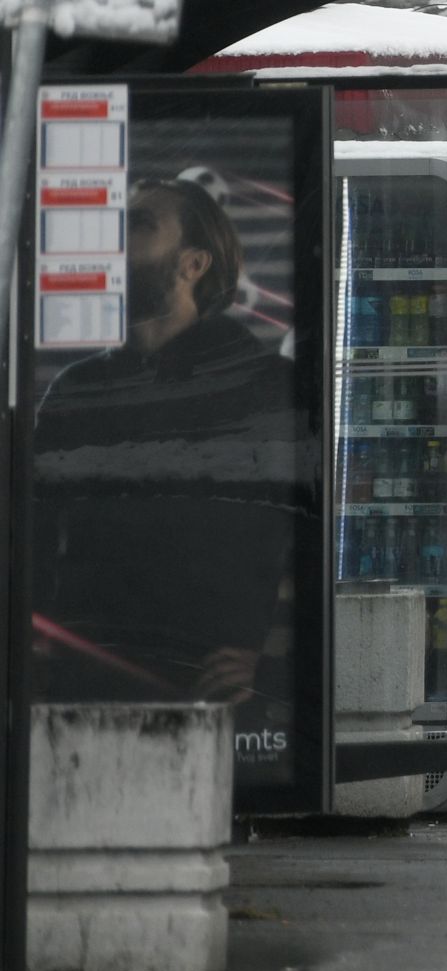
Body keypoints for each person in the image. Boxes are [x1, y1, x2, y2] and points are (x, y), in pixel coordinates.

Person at [30, 176, 298, 708]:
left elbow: (312, 539)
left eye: (139, 224)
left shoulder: (265, 387)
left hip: (208, 698)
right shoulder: (77, 389)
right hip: (86, 695)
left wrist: (272, 666)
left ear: (192, 264)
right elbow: (31, 536)